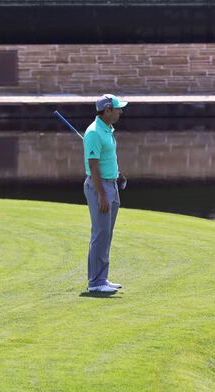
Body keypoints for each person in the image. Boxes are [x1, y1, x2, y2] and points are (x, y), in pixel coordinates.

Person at [83, 94, 127, 293]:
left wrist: (117, 175)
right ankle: (95, 283)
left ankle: (102, 277)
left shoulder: (107, 129)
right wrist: (102, 195)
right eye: (117, 108)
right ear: (107, 110)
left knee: (106, 234)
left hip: (112, 184)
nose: (120, 111)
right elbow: (93, 167)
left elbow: (106, 159)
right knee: (100, 234)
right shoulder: (93, 133)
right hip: (99, 187)